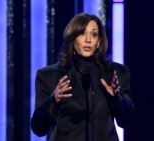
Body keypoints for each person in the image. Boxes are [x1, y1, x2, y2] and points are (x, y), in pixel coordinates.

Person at [31, 13, 135, 141]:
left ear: (99, 42)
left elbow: (127, 121)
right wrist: (53, 100)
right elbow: (38, 129)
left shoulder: (116, 73)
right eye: (82, 33)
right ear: (72, 38)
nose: (88, 39)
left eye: (94, 34)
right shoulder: (49, 76)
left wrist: (117, 99)